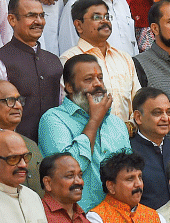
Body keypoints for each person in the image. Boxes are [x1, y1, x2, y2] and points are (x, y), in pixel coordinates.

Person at [37, 54, 130, 211]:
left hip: (118, 217)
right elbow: (68, 172)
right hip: (77, 218)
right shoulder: (53, 120)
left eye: (100, 78)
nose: (98, 84)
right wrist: (94, 121)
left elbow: (129, 173)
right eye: (89, 80)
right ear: (69, 87)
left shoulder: (116, 123)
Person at [0, 0, 65, 142]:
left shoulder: (54, 61)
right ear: (12, 20)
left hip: (53, 148)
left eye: (41, 15)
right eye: (31, 16)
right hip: (15, 150)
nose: (39, 21)